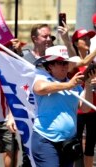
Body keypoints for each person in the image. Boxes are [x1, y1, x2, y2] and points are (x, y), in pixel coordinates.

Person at [31, 45, 96, 167]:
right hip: (45, 140)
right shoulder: (41, 77)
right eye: (61, 63)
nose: (65, 66)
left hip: (68, 141)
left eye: (66, 62)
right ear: (50, 65)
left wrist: (87, 84)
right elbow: (40, 88)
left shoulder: (74, 84)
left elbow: (85, 108)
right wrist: (69, 85)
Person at [71, 28, 96, 167]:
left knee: (91, 144)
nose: (87, 41)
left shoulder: (94, 60)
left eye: (89, 38)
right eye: (84, 38)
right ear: (76, 43)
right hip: (78, 109)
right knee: (76, 142)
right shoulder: (73, 60)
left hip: (93, 107)